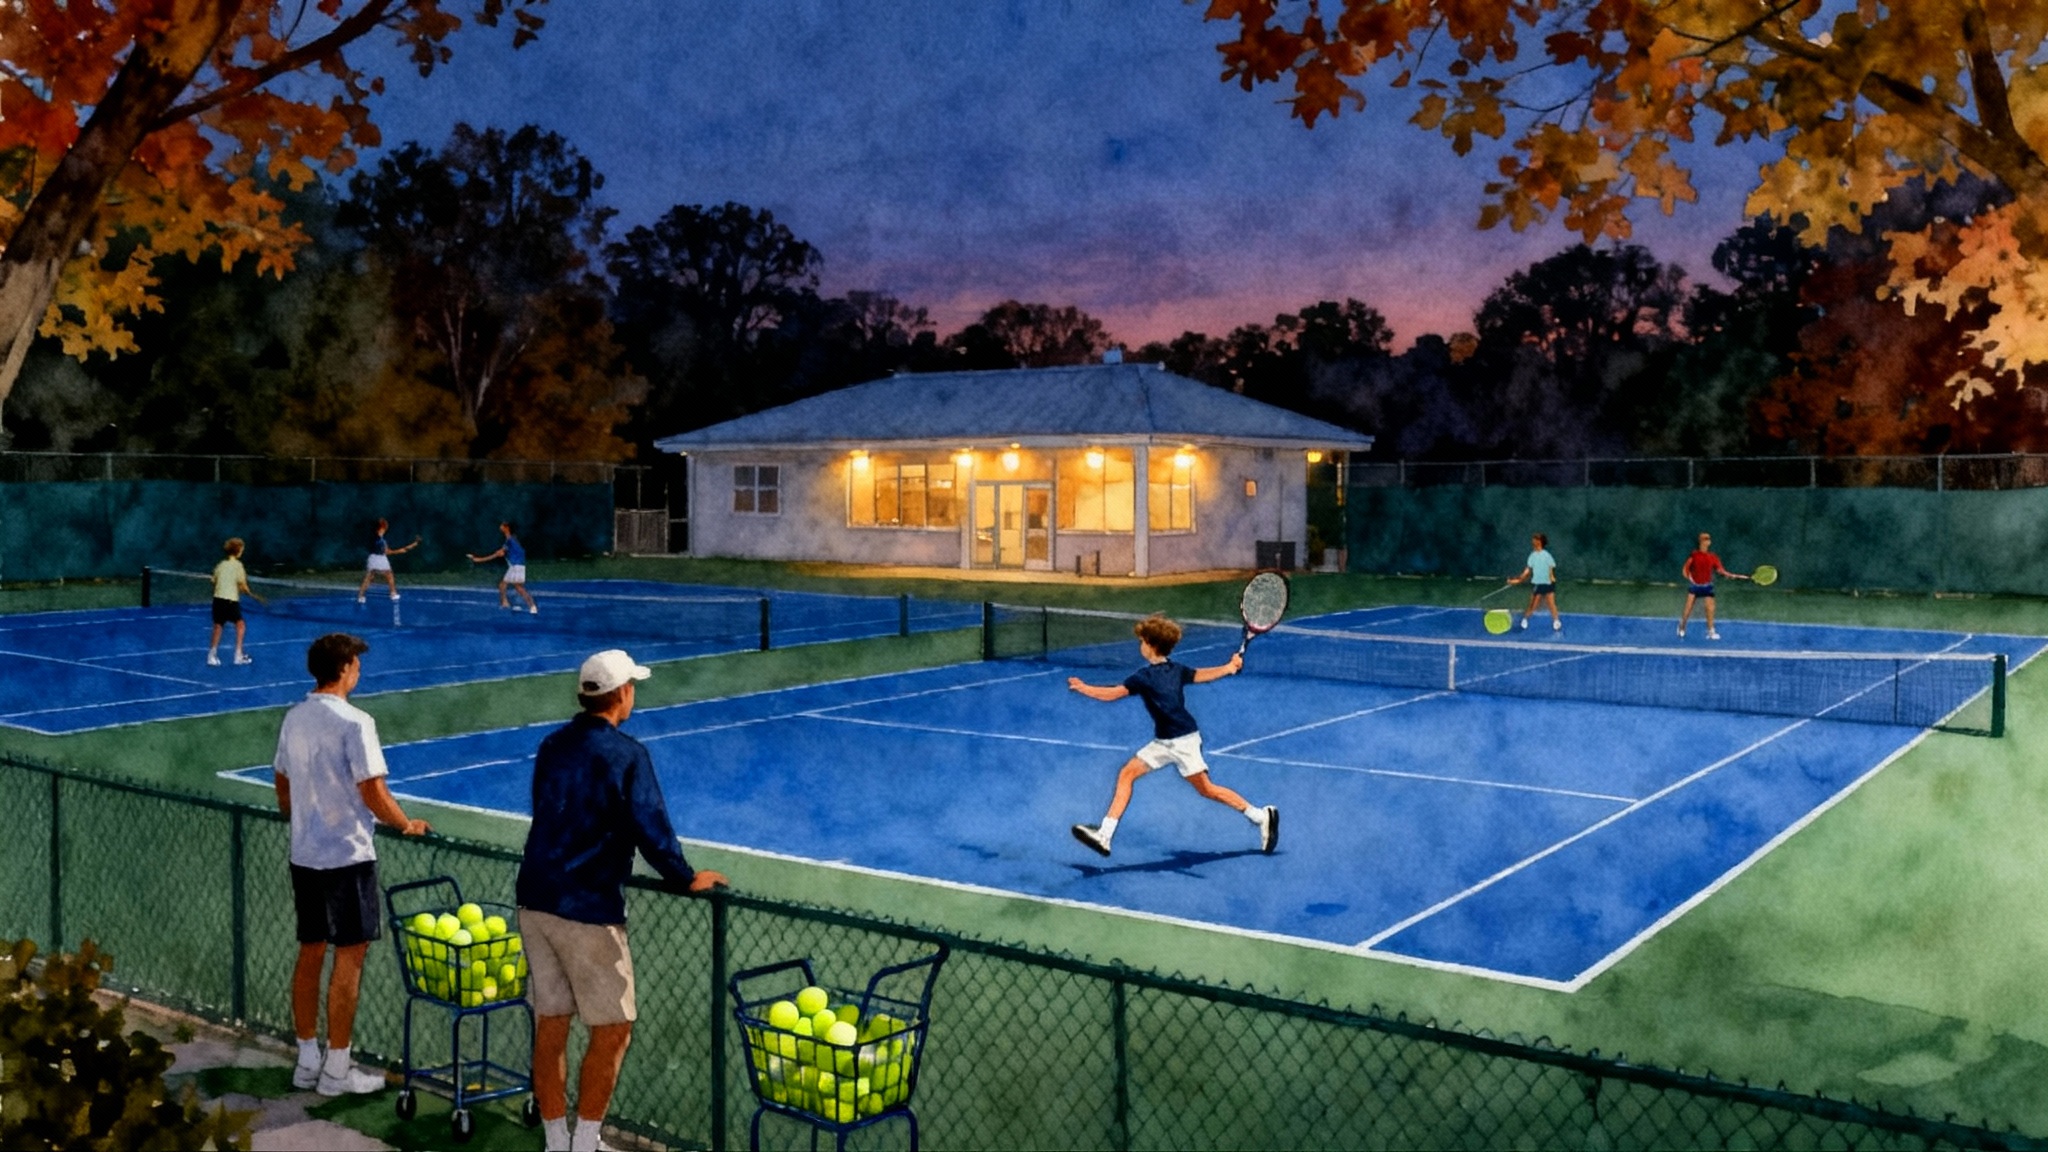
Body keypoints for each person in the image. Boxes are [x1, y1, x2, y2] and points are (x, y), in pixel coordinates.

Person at [517, 649, 728, 1152]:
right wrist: (685, 877)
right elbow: (650, 829)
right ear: (621, 694)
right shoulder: (628, 754)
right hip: (588, 909)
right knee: (613, 1029)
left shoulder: (551, 745)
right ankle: (585, 1143)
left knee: (551, 1024)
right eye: (632, 686)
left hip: (535, 898)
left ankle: (556, 1141)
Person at [274, 633, 431, 1096]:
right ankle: (336, 1071)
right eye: (356, 664)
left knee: (310, 951)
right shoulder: (356, 722)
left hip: (305, 854)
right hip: (347, 856)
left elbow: (282, 781)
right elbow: (373, 792)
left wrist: (300, 816)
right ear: (344, 669)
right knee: (349, 959)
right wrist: (405, 824)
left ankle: (307, 1060)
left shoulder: (294, 717)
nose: (359, 670)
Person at [1067, 614, 1277, 858]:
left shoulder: (1144, 677)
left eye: (1142, 641)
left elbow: (1112, 694)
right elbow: (1201, 674)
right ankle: (1104, 835)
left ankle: (1261, 816)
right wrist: (1229, 668)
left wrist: (1084, 688)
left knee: (1206, 790)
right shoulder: (1176, 670)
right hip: (1166, 741)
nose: (1140, 646)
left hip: (1182, 741)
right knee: (1127, 774)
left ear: (1151, 645)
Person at [1678, 531, 1751, 640]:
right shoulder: (1694, 555)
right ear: (1700, 541)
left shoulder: (1713, 557)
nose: (1706, 541)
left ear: (1709, 542)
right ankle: (1682, 627)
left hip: (1707, 586)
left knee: (1710, 609)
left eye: (1708, 539)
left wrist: (1730, 575)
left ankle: (1711, 632)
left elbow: (1721, 570)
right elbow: (1685, 569)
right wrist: (1690, 578)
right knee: (1687, 609)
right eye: (1704, 539)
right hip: (1695, 586)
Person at [208, 537, 268, 667]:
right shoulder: (238, 566)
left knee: (218, 626)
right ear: (239, 551)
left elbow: (214, 580)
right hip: (230, 601)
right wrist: (248, 592)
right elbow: (243, 586)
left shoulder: (220, 565)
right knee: (240, 625)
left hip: (218, 599)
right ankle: (238, 655)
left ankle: (211, 656)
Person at [468, 520, 537, 613]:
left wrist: (478, 559)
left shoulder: (509, 540)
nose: (500, 526)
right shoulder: (512, 540)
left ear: (506, 527)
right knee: (511, 586)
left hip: (515, 566)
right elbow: (508, 552)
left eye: (502, 525)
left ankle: (508, 603)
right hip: (519, 566)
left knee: (509, 586)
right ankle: (529, 606)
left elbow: (497, 554)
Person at [355, 518, 419, 604]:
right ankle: (393, 594)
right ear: (382, 527)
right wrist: (399, 551)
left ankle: (360, 596)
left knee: (369, 577)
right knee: (389, 575)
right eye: (385, 525)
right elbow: (387, 552)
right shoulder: (381, 540)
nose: (387, 526)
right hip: (380, 558)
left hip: (372, 558)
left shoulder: (374, 537)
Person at [1510, 532, 1562, 632]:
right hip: (1537, 584)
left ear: (1540, 542)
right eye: (1533, 540)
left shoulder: (1547, 555)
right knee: (1533, 605)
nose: (1533, 541)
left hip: (1548, 583)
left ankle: (1556, 621)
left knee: (1551, 604)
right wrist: (1518, 579)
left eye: (1535, 540)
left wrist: (1551, 577)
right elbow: (1527, 570)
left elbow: (1551, 567)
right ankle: (1525, 619)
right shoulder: (1532, 556)